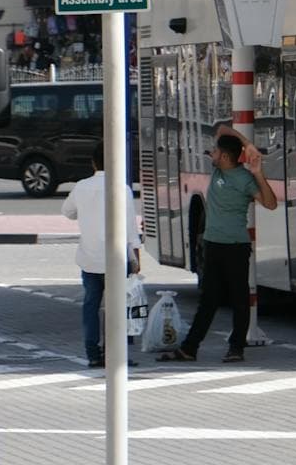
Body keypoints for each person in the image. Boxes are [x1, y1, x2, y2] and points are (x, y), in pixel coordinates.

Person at [162, 126, 278, 363]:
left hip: (236, 246)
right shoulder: (218, 172)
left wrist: (258, 173)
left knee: (239, 298)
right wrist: (249, 144)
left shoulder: (245, 179)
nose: (211, 154)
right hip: (212, 245)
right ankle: (189, 348)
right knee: (208, 300)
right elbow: (222, 129)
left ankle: (236, 348)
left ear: (224, 157)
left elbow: (270, 203)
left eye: (215, 152)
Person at [61, 144, 143, 369]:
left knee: (91, 305)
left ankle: (92, 353)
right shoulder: (121, 188)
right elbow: (130, 227)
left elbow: (67, 212)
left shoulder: (81, 187)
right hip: (117, 259)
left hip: (89, 258)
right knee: (119, 307)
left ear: (93, 163)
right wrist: (135, 257)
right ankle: (117, 353)